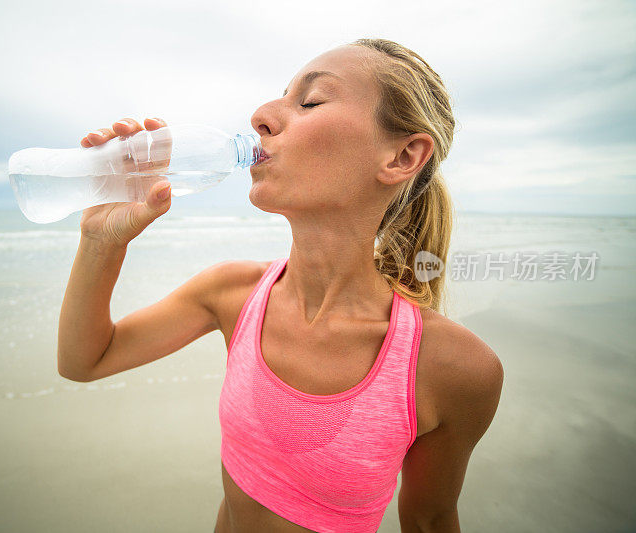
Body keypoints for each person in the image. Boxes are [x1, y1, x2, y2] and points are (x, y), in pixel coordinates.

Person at [58, 38, 504, 533]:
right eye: (282, 95)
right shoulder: (232, 292)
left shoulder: (454, 368)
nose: (262, 115)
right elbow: (85, 360)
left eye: (309, 101)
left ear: (402, 157)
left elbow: (429, 520)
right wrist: (101, 241)